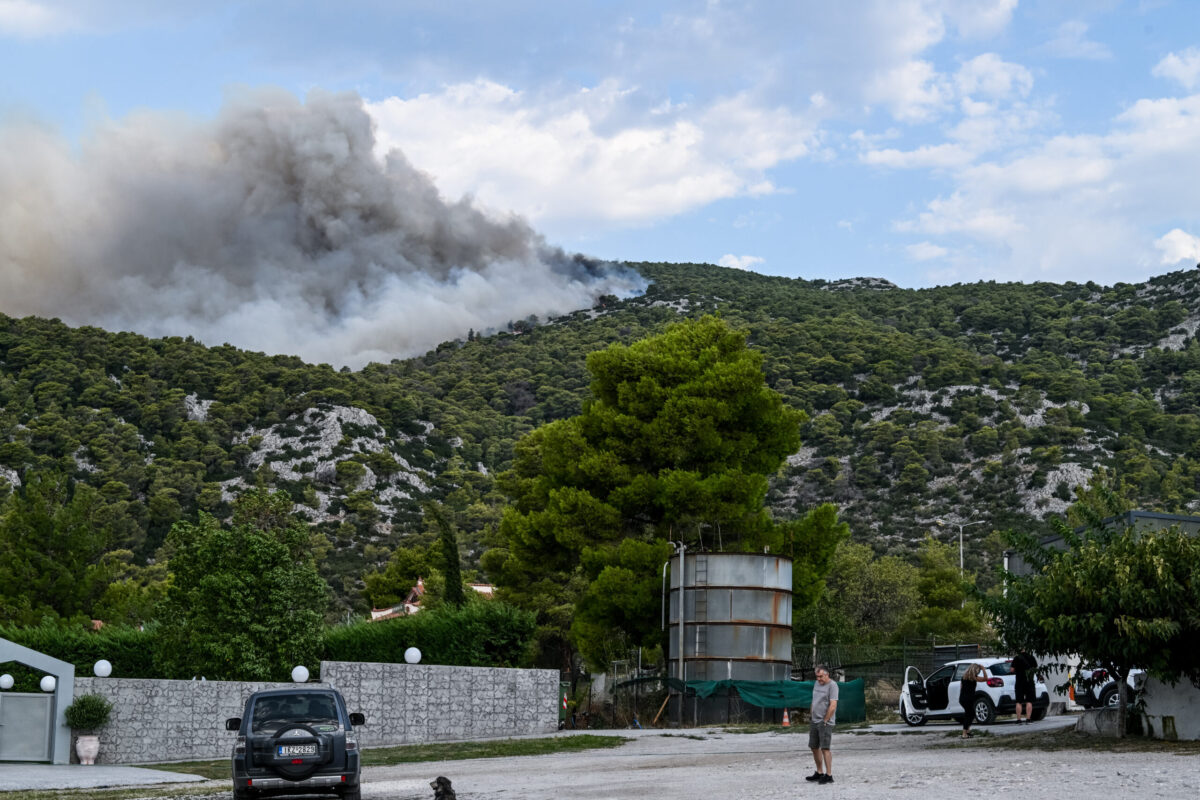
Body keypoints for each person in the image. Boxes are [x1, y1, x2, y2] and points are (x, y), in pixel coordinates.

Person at [805, 665, 839, 785]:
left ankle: (829, 775)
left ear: (827, 674)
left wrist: (825, 720)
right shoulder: (816, 684)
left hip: (825, 722)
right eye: (817, 676)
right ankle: (819, 772)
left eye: (821, 676)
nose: (819, 679)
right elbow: (814, 700)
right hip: (814, 720)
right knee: (814, 747)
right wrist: (811, 714)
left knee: (825, 748)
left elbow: (833, 705)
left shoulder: (832, 686)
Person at [958, 663, 989, 739]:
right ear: (975, 670)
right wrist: (984, 669)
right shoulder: (974, 678)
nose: (978, 672)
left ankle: (967, 731)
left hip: (962, 698)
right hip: (968, 699)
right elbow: (986, 679)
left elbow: (961, 688)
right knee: (970, 715)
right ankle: (964, 733)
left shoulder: (963, 677)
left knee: (969, 714)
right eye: (978, 671)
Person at [1012, 651, 1038, 724]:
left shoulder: (1017, 658)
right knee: (1029, 701)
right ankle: (1028, 719)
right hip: (1029, 681)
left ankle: (1019, 720)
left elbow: (1012, 669)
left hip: (1019, 682)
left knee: (1018, 701)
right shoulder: (1032, 657)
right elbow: (1035, 668)